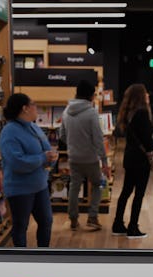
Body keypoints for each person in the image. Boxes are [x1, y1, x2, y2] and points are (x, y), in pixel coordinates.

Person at [0, 93, 58, 247]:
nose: (36, 107)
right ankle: (21, 260)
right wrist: (43, 158)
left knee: (46, 221)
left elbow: (45, 150)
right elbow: (17, 163)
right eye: (33, 104)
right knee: (20, 226)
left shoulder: (33, 126)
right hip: (20, 189)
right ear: (25, 108)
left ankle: (43, 256)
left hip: (40, 185)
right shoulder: (9, 132)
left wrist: (52, 157)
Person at [60, 79, 111, 231]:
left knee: (74, 187)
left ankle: (73, 220)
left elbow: (62, 135)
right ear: (90, 95)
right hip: (90, 159)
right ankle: (93, 217)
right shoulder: (91, 113)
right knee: (98, 184)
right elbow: (98, 139)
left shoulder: (66, 111)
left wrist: (73, 144)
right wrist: (105, 162)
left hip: (74, 157)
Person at [112, 83, 153, 239]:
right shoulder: (142, 113)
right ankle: (133, 227)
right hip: (140, 160)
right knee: (139, 194)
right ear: (141, 96)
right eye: (145, 93)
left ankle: (118, 224)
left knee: (126, 191)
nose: (148, 95)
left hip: (130, 157)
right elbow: (147, 140)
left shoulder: (128, 114)